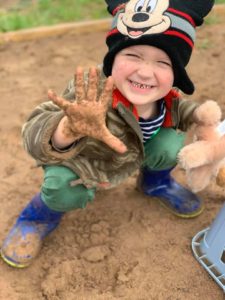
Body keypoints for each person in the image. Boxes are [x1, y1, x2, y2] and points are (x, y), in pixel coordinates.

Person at [1, 0, 215, 268]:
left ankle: (155, 183)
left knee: (171, 144)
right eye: (133, 56)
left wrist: (199, 115)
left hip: (133, 157)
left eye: (163, 62)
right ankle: (38, 217)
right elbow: (34, 130)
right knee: (62, 188)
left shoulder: (166, 96)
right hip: (86, 166)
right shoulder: (89, 94)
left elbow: (180, 108)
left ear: (177, 74)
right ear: (113, 59)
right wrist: (66, 130)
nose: (145, 72)